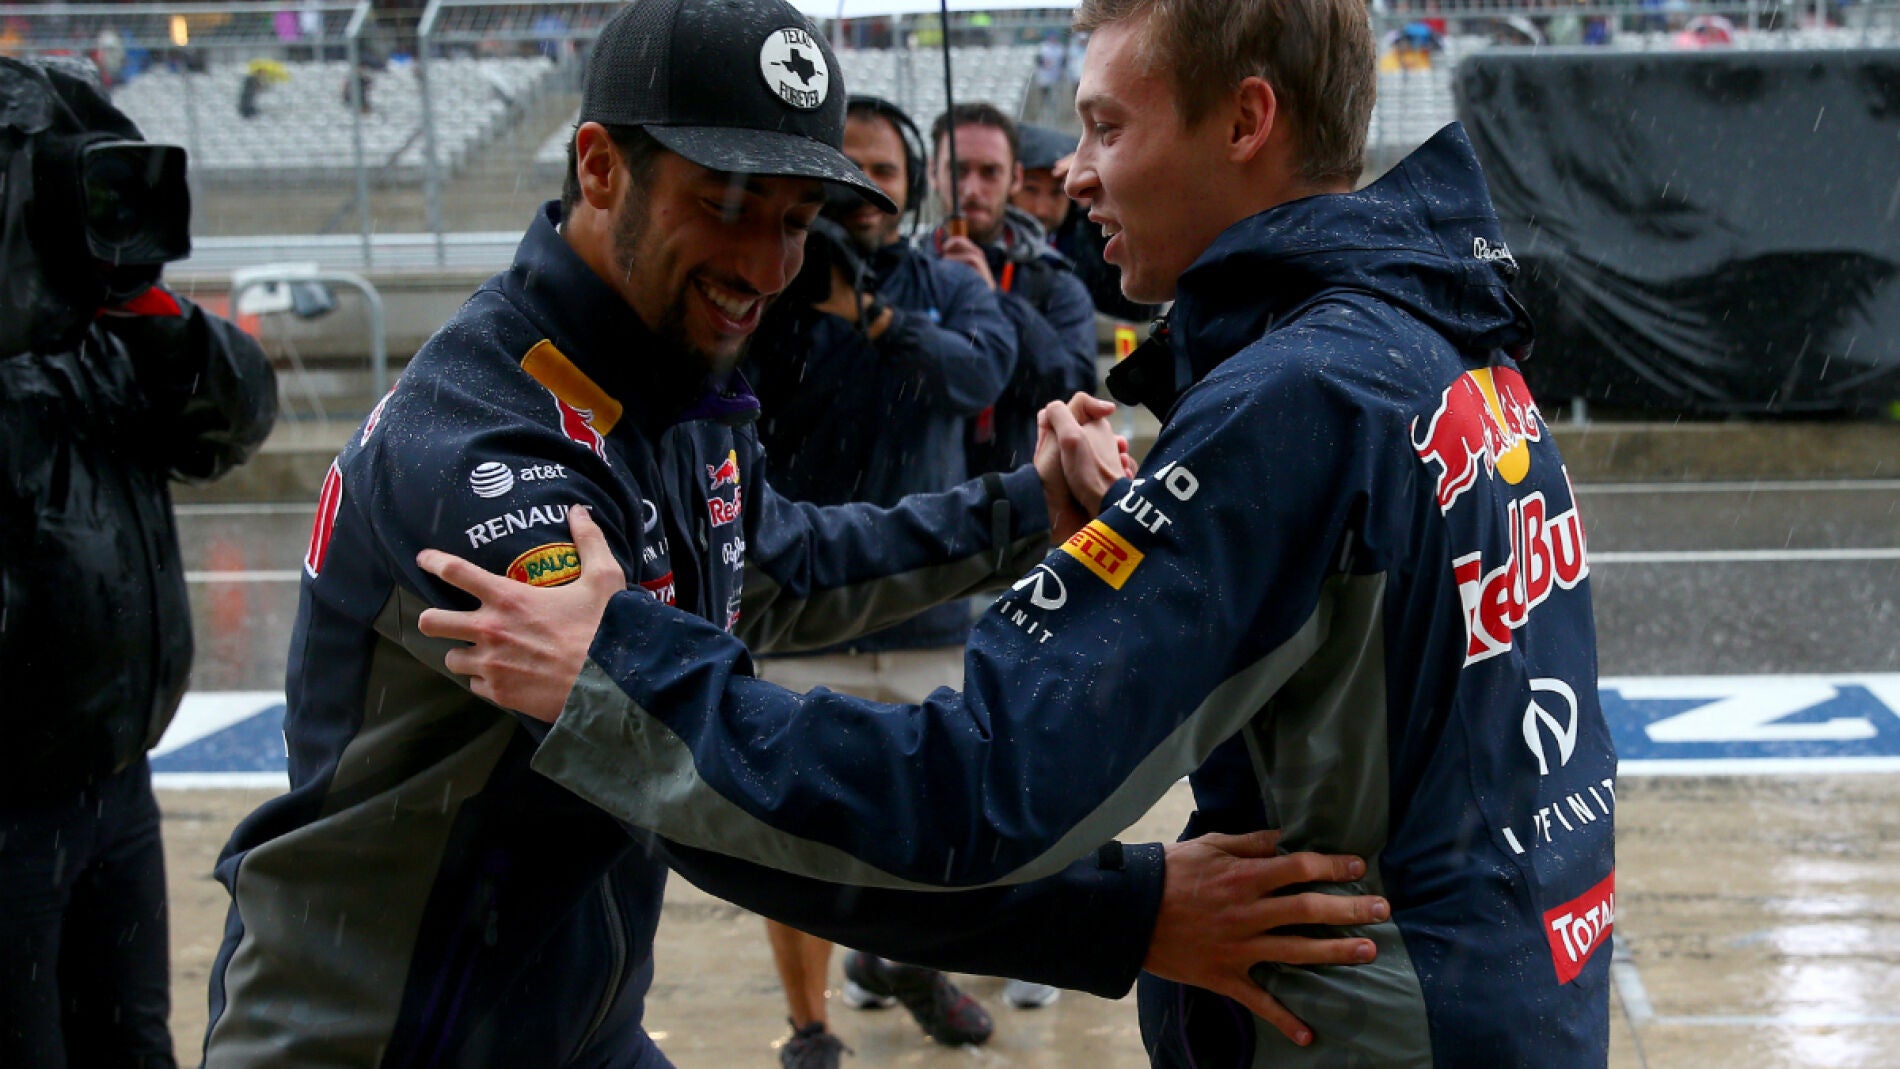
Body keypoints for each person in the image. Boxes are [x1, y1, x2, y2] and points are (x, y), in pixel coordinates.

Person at [426, 0, 1618, 1064]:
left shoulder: (1301, 394)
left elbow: (978, 791)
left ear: (1245, 120)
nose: (1077, 173)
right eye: (738, 208)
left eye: (1104, 127)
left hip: (1381, 1025)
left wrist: (621, 674)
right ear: (596, 170)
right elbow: (773, 578)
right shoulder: (1437, 340)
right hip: (1508, 991)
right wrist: (1023, 516)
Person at [202, 2, 1384, 1067]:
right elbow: (706, 800)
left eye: (799, 221)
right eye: (725, 206)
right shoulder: (493, 460)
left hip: (571, 1026)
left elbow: (776, 570)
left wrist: (1031, 510)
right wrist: (1130, 914)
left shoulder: (666, 383)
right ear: (599, 167)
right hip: (375, 1042)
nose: (766, 265)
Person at [0, 56, 277, 1069]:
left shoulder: (97, 331)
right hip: (12, 806)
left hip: (113, 779)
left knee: (131, 1044)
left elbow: (231, 422)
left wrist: (145, 310)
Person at [739, 94, 1015, 1062]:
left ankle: (910, 959)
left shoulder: (949, 282)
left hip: (928, 609)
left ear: (911, 186)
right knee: (792, 844)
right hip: (795, 612)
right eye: (840, 171)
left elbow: (982, 372)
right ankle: (808, 1027)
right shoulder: (764, 283)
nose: (861, 192)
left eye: (882, 174)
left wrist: (876, 315)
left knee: (939, 830)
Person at [925, 102, 1097, 476]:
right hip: (917, 506)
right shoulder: (905, 274)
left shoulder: (1056, 284)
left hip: (1022, 507)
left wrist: (991, 302)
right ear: (931, 174)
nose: (972, 190)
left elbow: (1071, 392)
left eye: (990, 172)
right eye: (958, 171)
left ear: (1013, 178)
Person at [1011, 121, 1157, 324]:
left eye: (1057, 192)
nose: (1041, 209)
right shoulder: (989, 240)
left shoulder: (1076, 241)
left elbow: (1138, 308)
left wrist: (1095, 206)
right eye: (1031, 189)